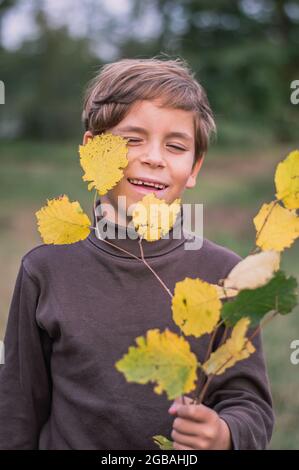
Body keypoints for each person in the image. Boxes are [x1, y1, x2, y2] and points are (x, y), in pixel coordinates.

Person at [0, 57, 274, 450]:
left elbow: (250, 406)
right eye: (132, 139)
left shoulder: (226, 275)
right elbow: (18, 407)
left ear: (194, 167)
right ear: (93, 151)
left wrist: (223, 434)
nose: (154, 157)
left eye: (175, 146)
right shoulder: (44, 270)